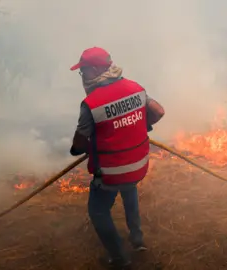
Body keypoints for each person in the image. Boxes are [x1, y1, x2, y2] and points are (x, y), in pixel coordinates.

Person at [69, 47, 165, 268]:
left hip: (112, 173)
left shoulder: (91, 104)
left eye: (83, 71)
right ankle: (137, 239)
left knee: (98, 211)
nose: (82, 77)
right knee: (129, 188)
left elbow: (79, 143)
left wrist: (77, 150)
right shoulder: (135, 88)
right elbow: (158, 111)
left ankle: (119, 257)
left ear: (94, 70)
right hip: (138, 166)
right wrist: (141, 125)